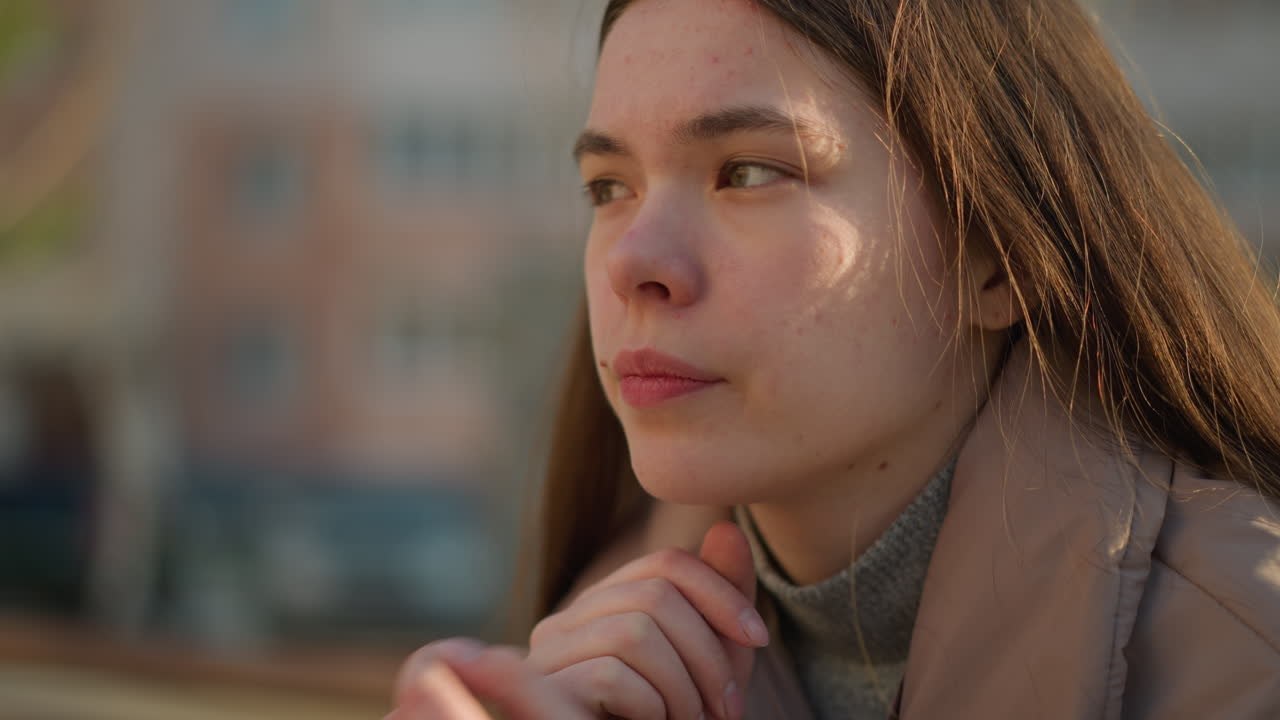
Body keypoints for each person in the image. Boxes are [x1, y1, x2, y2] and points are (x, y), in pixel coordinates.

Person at [388, 0, 1280, 718]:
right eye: (608, 187)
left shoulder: (1243, 655)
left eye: (747, 171)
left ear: (998, 259)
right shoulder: (599, 649)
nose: (631, 264)